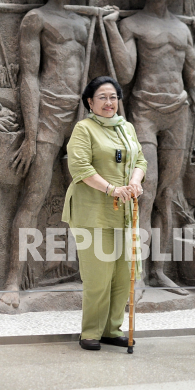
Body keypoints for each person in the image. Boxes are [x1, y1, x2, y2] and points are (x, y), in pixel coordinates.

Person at [1, 0, 103, 307]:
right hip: (47, 114)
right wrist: (30, 134)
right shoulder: (36, 19)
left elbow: (92, 78)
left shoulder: (84, 25)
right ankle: (13, 279)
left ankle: (92, 276)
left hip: (78, 116)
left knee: (91, 198)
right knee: (34, 195)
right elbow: (28, 76)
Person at [103, 0, 195, 295]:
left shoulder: (182, 30)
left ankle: (161, 271)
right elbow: (125, 74)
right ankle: (136, 273)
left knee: (167, 193)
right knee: (145, 192)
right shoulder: (133, 25)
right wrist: (110, 27)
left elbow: (193, 75)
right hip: (146, 111)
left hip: (177, 111)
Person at [62, 76, 147, 350]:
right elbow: (80, 168)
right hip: (93, 213)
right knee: (99, 276)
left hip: (124, 213)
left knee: (123, 275)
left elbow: (141, 160)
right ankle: (90, 333)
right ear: (90, 101)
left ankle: (112, 329)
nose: (109, 103)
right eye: (102, 97)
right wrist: (111, 189)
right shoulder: (84, 129)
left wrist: (135, 181)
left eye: (113, 97)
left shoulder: (127, 128)